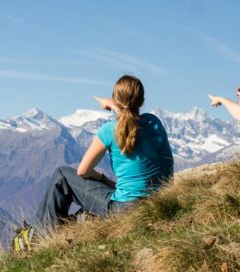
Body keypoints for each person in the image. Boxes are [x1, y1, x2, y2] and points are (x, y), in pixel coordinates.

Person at [34, 75, 174, 232]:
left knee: (62, 175)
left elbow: (83, 171)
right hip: (161, 200)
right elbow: (129, 113)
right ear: (142, 99)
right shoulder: (153, 121)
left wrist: (101, 178)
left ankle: (41, 233)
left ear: (116, 101)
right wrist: (114, 104)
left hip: (126, 209)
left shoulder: (109, 130)